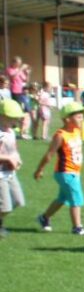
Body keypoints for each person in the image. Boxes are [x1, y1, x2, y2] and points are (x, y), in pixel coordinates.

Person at [34, 101, 84, 235]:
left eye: (82, 116)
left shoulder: (77, 131)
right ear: (67, 119)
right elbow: (49, 154)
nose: (81, 119)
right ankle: (77, 227)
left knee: (62, 199)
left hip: (75, 172)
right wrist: (40, 169)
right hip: (65, 172)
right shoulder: (60, 135)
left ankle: (44, 217)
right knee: (76, 198)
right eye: (78, 117)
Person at [0, 99, 27, 237]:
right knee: (5, 207)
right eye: (12, 118)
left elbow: (14, 149)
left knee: (18, 201)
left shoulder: (10, 132)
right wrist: (8, 158)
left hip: (10, 173)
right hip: (0, 175)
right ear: (2, 116)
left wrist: (17, 158)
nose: (15, 121)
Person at [6, 56, 31, 138]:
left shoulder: (19, 70)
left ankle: (21, 130)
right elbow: (12, 76)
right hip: (14, 91)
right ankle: (14, 127)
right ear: (14, 63)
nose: (19, 65)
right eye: (18, 63)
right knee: (18, 110)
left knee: (24, 111)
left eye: (20, 64)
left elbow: (25, 80)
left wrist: (27, 73)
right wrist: (20, 69)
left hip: (21, 92)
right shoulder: (10, 69)